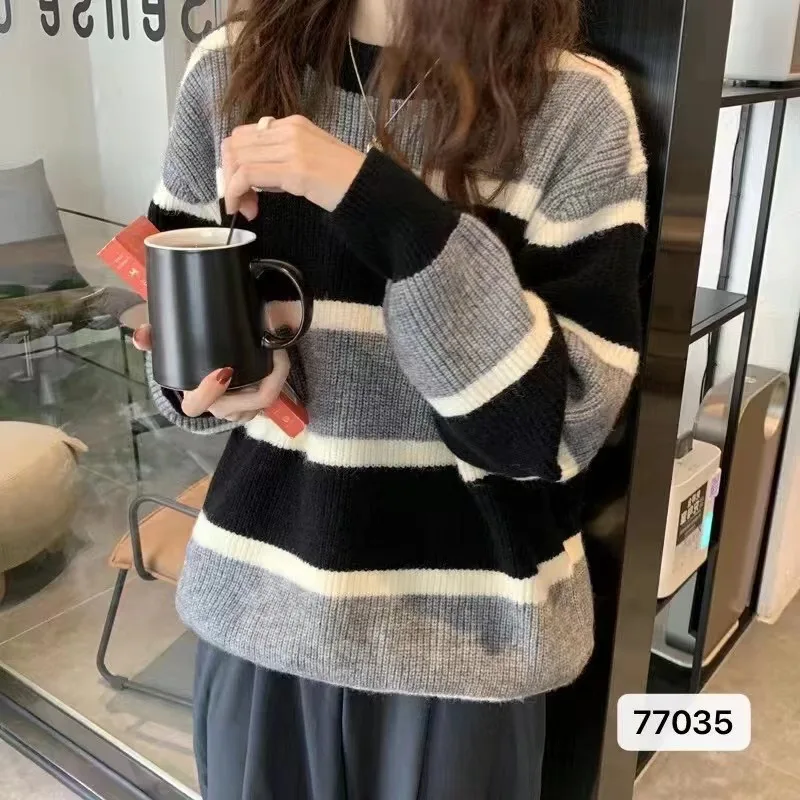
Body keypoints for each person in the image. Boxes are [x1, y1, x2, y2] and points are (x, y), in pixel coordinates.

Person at [133, 0, 647, 796]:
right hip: (259, 615)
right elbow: (179, 321)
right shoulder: (232, 71)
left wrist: (375, 199)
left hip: (469, 648)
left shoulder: (575, 104)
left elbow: (552, 434)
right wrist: (213, 383)